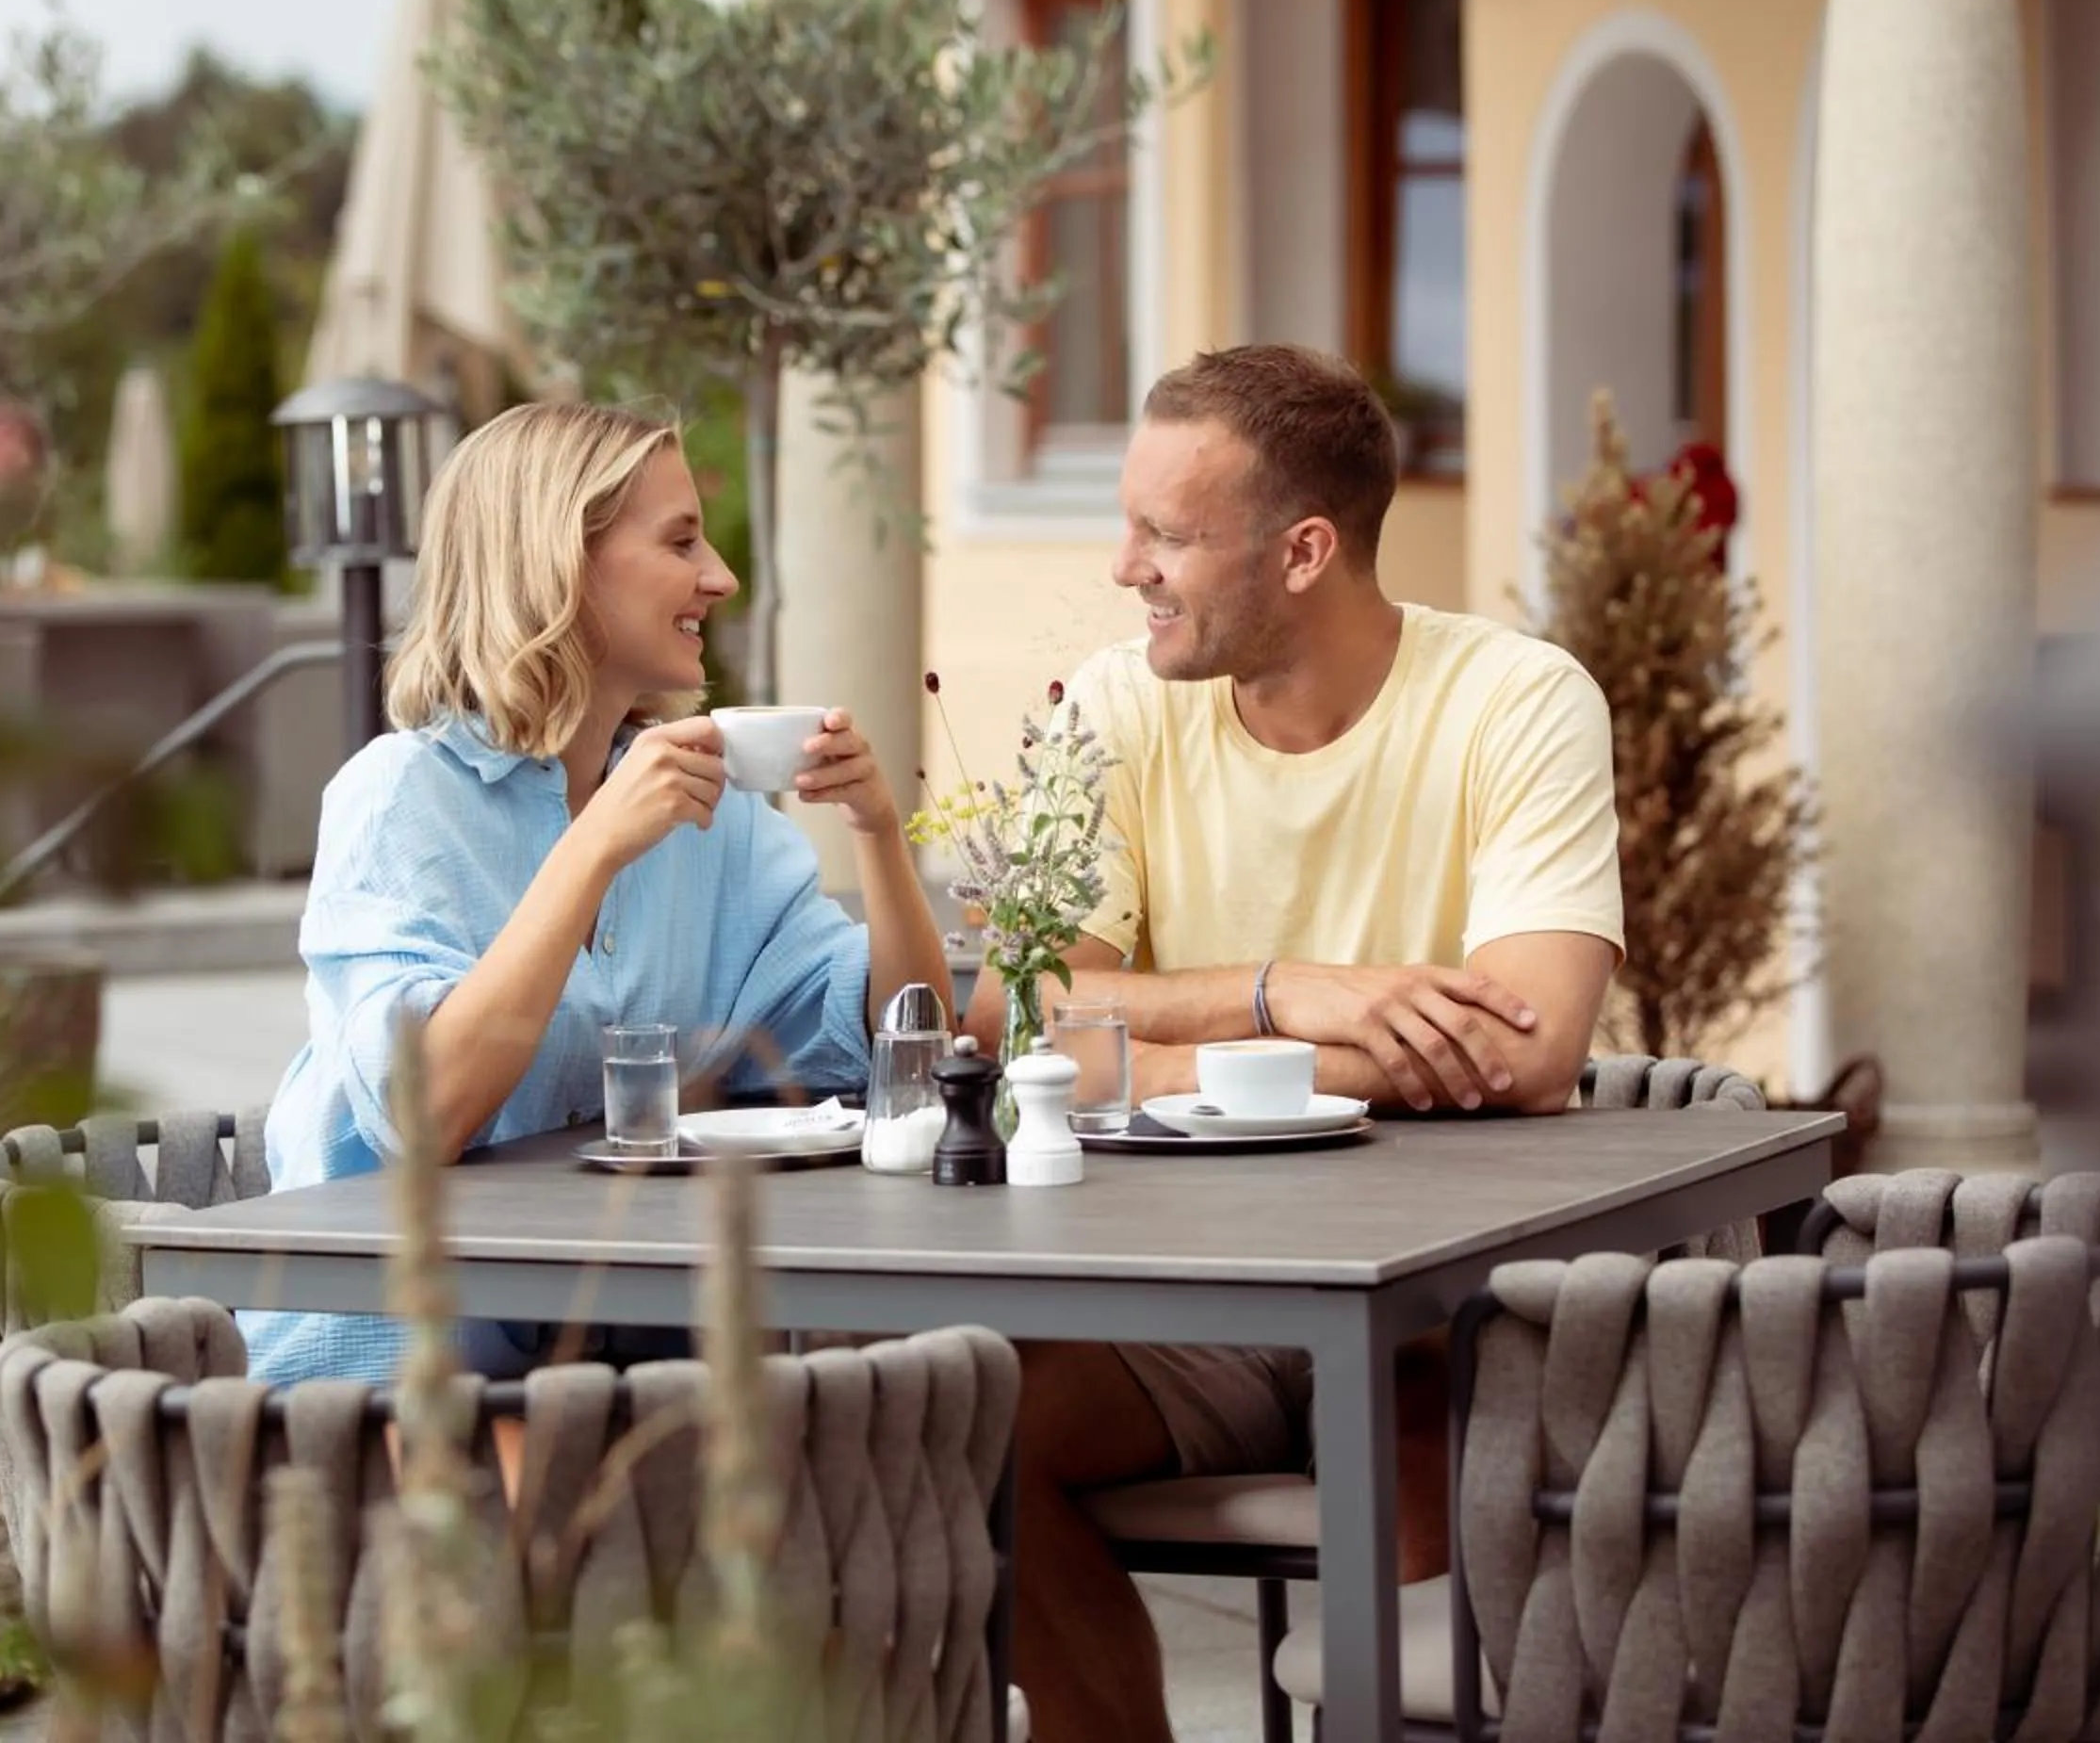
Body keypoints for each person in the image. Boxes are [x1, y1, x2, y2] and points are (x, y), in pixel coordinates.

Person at [967, 345, 1626, 1743]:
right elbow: (1015, 1021)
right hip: (1184, 1297)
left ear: (1306, 550)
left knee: (1421, 1537)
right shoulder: (1117, 703)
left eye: (1165, 534)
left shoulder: (1518, 700)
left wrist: (1144, 1051)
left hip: (1443, 1307)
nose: (1122, 565)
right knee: (949, 1425)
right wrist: (1285, 994)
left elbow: (1525, 1051)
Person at [242, 399, 952, 1385]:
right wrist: (595, 845)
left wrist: (879, 836)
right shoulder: (397, 798)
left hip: (620, 1329)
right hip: (395, 1348)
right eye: (681, 541)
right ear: (560, 567)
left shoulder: (714, 813)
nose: (722, 577)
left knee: (878, 1421)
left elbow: (899, 1047)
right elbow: (427, 1110)